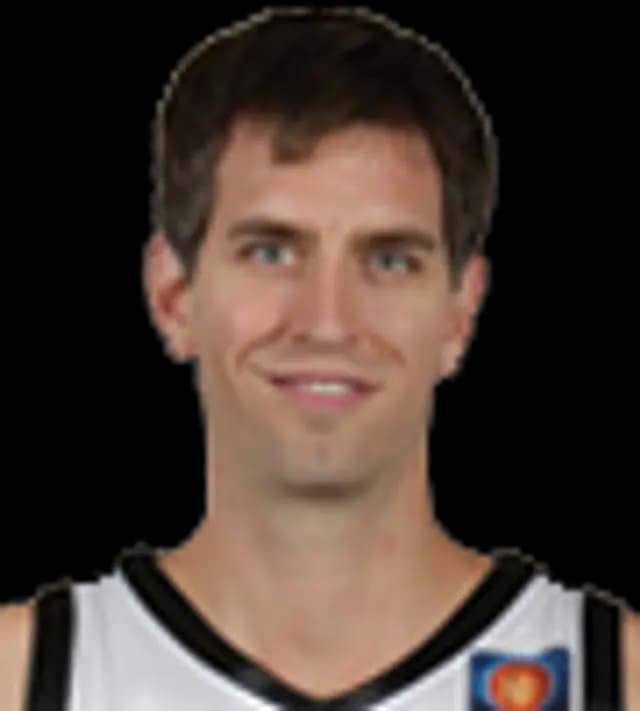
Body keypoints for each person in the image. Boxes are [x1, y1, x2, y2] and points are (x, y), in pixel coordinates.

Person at [2, 7, 638, 710]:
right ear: (174, 294)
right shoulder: (23, 674)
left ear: (460, 312)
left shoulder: (615, 676)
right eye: (271, 252)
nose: (328, 322)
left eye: (389, 260)